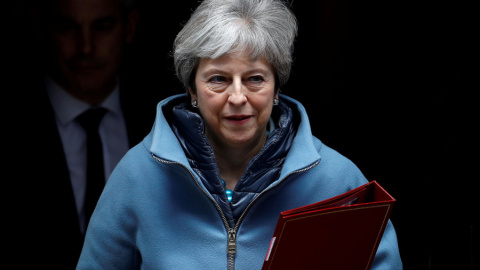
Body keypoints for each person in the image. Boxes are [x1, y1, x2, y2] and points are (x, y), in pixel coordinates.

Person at [76, 0, 403, 269]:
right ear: (192, 88)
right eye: (218, 79)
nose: (236, 97)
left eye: (255, 79)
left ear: (277, 87)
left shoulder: (338, 180)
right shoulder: (138, 174)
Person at [6, 0, 160, 269]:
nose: (85, 48)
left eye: (102, 27)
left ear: (130, 26)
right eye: (68, 27)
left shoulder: (165, 119)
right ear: (43, 27)